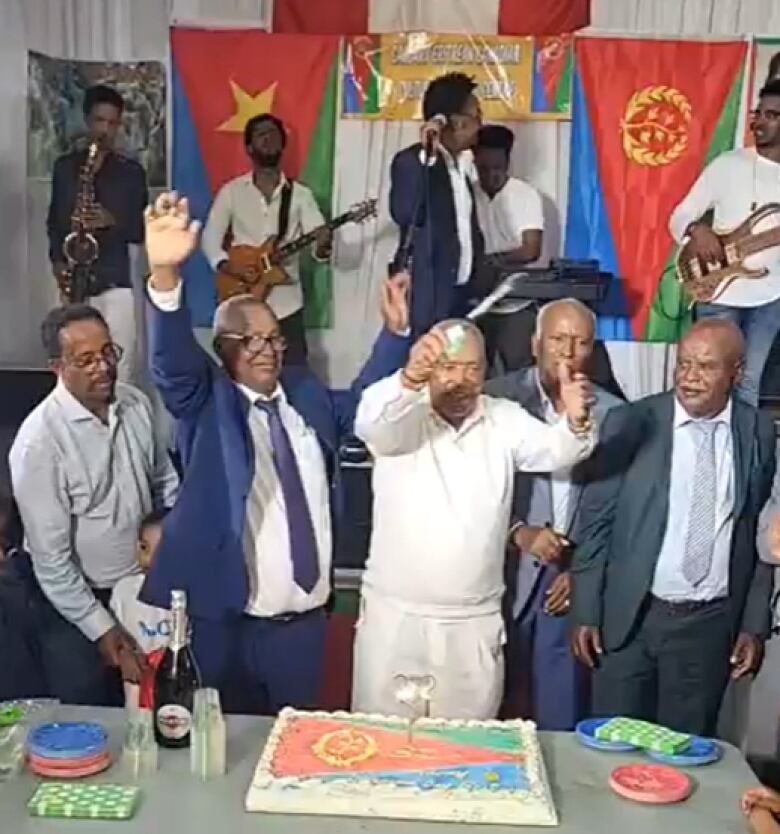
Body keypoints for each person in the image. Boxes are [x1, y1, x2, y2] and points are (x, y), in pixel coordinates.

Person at [141, 191, 410, 714]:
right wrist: (165, 277)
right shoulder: (205, 400)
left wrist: (395, 335)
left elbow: (362, 405)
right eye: (250, 340)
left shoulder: (304, 394)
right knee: (221, 758)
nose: (266, 350)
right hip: (226, 625)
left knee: (292, 757)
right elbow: (170, 362)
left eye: (273, 339)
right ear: (224, 351)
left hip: (301, 631)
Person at [351, 318, 596, 719]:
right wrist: (409, 378)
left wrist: (574, 419)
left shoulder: (503, 418)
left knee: (469, 753)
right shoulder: (399, 414)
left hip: (473, 624)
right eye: (448, 367)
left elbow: (557, 450)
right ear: (429, 367)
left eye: (472, 368)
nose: (460, 380)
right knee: (386, 748)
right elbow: (369, 423)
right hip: (397, 621)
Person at [571, 319, 776, 737]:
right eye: (683, 364)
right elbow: (596, 526)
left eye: (705, 367)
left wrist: (754, 624)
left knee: (685, 759)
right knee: (614, 748)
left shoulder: (757, 433)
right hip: (630, 620)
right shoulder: (633, 421)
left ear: (736, 373)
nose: (689, 377)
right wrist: (587, 610)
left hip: (707, 628)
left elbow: (758, 532)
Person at [8, 305, 178, 705]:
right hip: (71, 602)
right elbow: (52, 561)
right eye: (85, 360)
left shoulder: (135, 404)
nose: (102, 367)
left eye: (108, 352)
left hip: (140, 588)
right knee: (87, 711)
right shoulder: (39, 444)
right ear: (57, 367)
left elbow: (165, 483)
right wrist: (102, 628)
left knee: (152, 703)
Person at [484, 299, 622, 730]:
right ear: (535, 344)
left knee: (559, 715)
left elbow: (621, 509)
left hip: (567, 580)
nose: (568, 352)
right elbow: (469, 492)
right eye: (558, 339)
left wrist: (582, 569)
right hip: (498, 575)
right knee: (489, 709)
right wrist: (517, 532)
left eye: (580, 342)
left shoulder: (615, 413)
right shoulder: (495, 400)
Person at [669, 80, 780, 406]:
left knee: (748, 386)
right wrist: (696, 231)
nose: (759, 122)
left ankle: (739, 456)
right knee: (707, 384)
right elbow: (679, 216)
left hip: (772, 297)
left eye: (771, 115)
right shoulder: (729, 164)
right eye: (757, 114)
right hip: (718, 291)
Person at [202, 113, 332, 364]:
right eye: (261, 135)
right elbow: (210, 241)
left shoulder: (301, 195)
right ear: (249, 147)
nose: (269, 139)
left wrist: (323, 244)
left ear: (283, 144)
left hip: (287, 304)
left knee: (294, 374)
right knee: (239, 375)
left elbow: (319, 249)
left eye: (274, 134)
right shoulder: (232, 192)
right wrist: (233, 269)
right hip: (241, 304)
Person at [47, 84, 148, 383]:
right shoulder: (65, 168)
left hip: (114, 280)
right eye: (99, 121)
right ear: (87, 121)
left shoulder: (131, 173)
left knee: (122, 363)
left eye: (113, 123)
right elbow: (54, 221)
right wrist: (57, 261)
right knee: (73, 361)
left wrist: (111, 220)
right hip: (74, 278)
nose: (105, 130)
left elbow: (140, 231)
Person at [389, 72, 485, 337]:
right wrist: (427, 156)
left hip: (461, 296)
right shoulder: (411, 162)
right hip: (427, 299)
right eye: (477, 116)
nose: (480, 124)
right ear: (456, 123)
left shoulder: (462, 167)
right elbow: (406, 212)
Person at [473, 124, 544, 372]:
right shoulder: (466, 194)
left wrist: (488, 262)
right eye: (483, 168)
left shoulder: (525, 195)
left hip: (515, 305)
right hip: (474, 302)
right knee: (473, 372)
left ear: (508, 162)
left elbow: (531, 250)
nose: (491, 175)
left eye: (498, 168)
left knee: (522, 374)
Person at [110, 510, 171, 709]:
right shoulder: (124, 591)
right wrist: (125, 655)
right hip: (136, 695)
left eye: (162, 552)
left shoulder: (190, 594)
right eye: (145, 548)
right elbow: (116, 639)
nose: (150, 559)